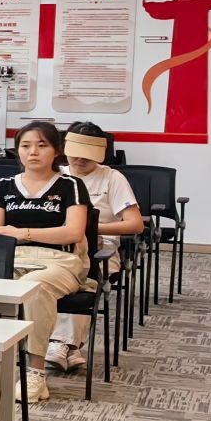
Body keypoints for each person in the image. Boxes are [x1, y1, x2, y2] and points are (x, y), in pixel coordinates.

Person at [0, 121, 90, 400]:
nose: (33, 152)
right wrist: (22, 237)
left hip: (59, 260)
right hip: (11, 257)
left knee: (35, 287)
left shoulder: (71, 185)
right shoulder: (3, 186)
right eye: (26, 145)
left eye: (42, 145)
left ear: (56, 150)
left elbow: (73, 232)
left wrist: (23, 233)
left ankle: (35, 373)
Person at [56, 123, 143, 356]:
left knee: (80, 275)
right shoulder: (56, 175)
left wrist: (91, 229)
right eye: (75, 153)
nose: (80, 159)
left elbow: (135, 224)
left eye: (87, 154)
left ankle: (65, 344)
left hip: (99, 250)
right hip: (55, 245)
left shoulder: (112, 178)